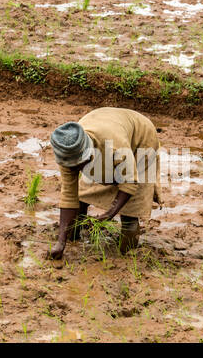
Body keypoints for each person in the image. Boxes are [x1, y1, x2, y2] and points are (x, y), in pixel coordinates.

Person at [47, 107, 162, 261]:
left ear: (89, 152)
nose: (77, 169)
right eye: (74, 166)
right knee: (81, 198)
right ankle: (74, 239)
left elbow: (130, 182)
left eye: (81, 164)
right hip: (106, 126)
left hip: (140, 141)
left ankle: (126, 257)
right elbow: (69, 195)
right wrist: (60, 242)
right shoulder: (67, 151)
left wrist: (109, 214)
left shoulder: (116, 146)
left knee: (130, 212)